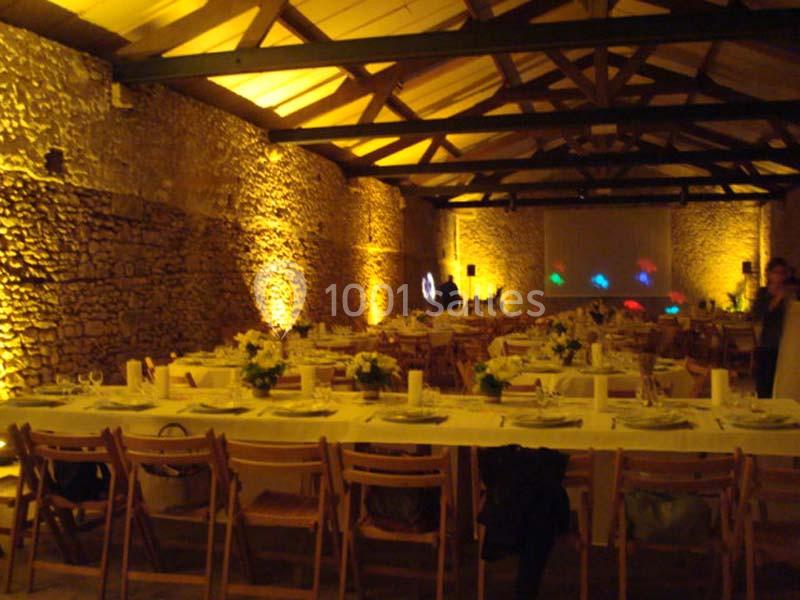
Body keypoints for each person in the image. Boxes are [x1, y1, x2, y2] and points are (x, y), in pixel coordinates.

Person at [751, 257, 792, 398]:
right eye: (777, 272)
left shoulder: (790, 294)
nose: (780, 276)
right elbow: (758, 314)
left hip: (787, 347)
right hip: (767, 346)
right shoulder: (763, 293)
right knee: (764, 387)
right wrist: (776, 299)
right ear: (769, 274)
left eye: (783, 273)